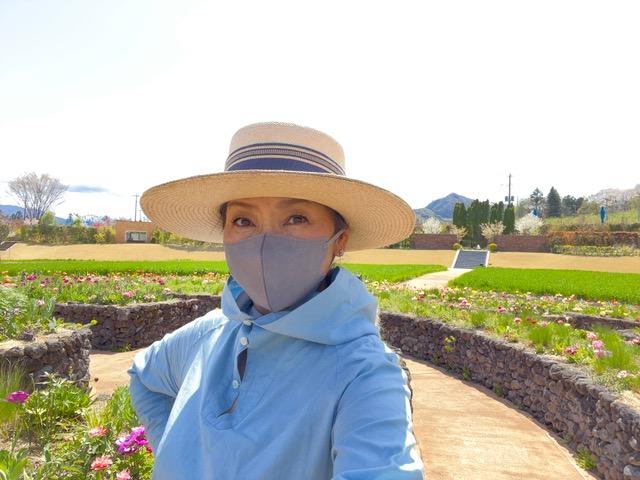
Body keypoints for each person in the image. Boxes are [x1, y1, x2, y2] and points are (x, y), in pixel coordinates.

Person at [129, 121, 424, 479]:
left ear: (340, 240)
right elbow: (144, 376)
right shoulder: (209, 334)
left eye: (296, 218)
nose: (265, 242)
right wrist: (175, 455)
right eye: (243, 220)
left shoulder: (364, 373)